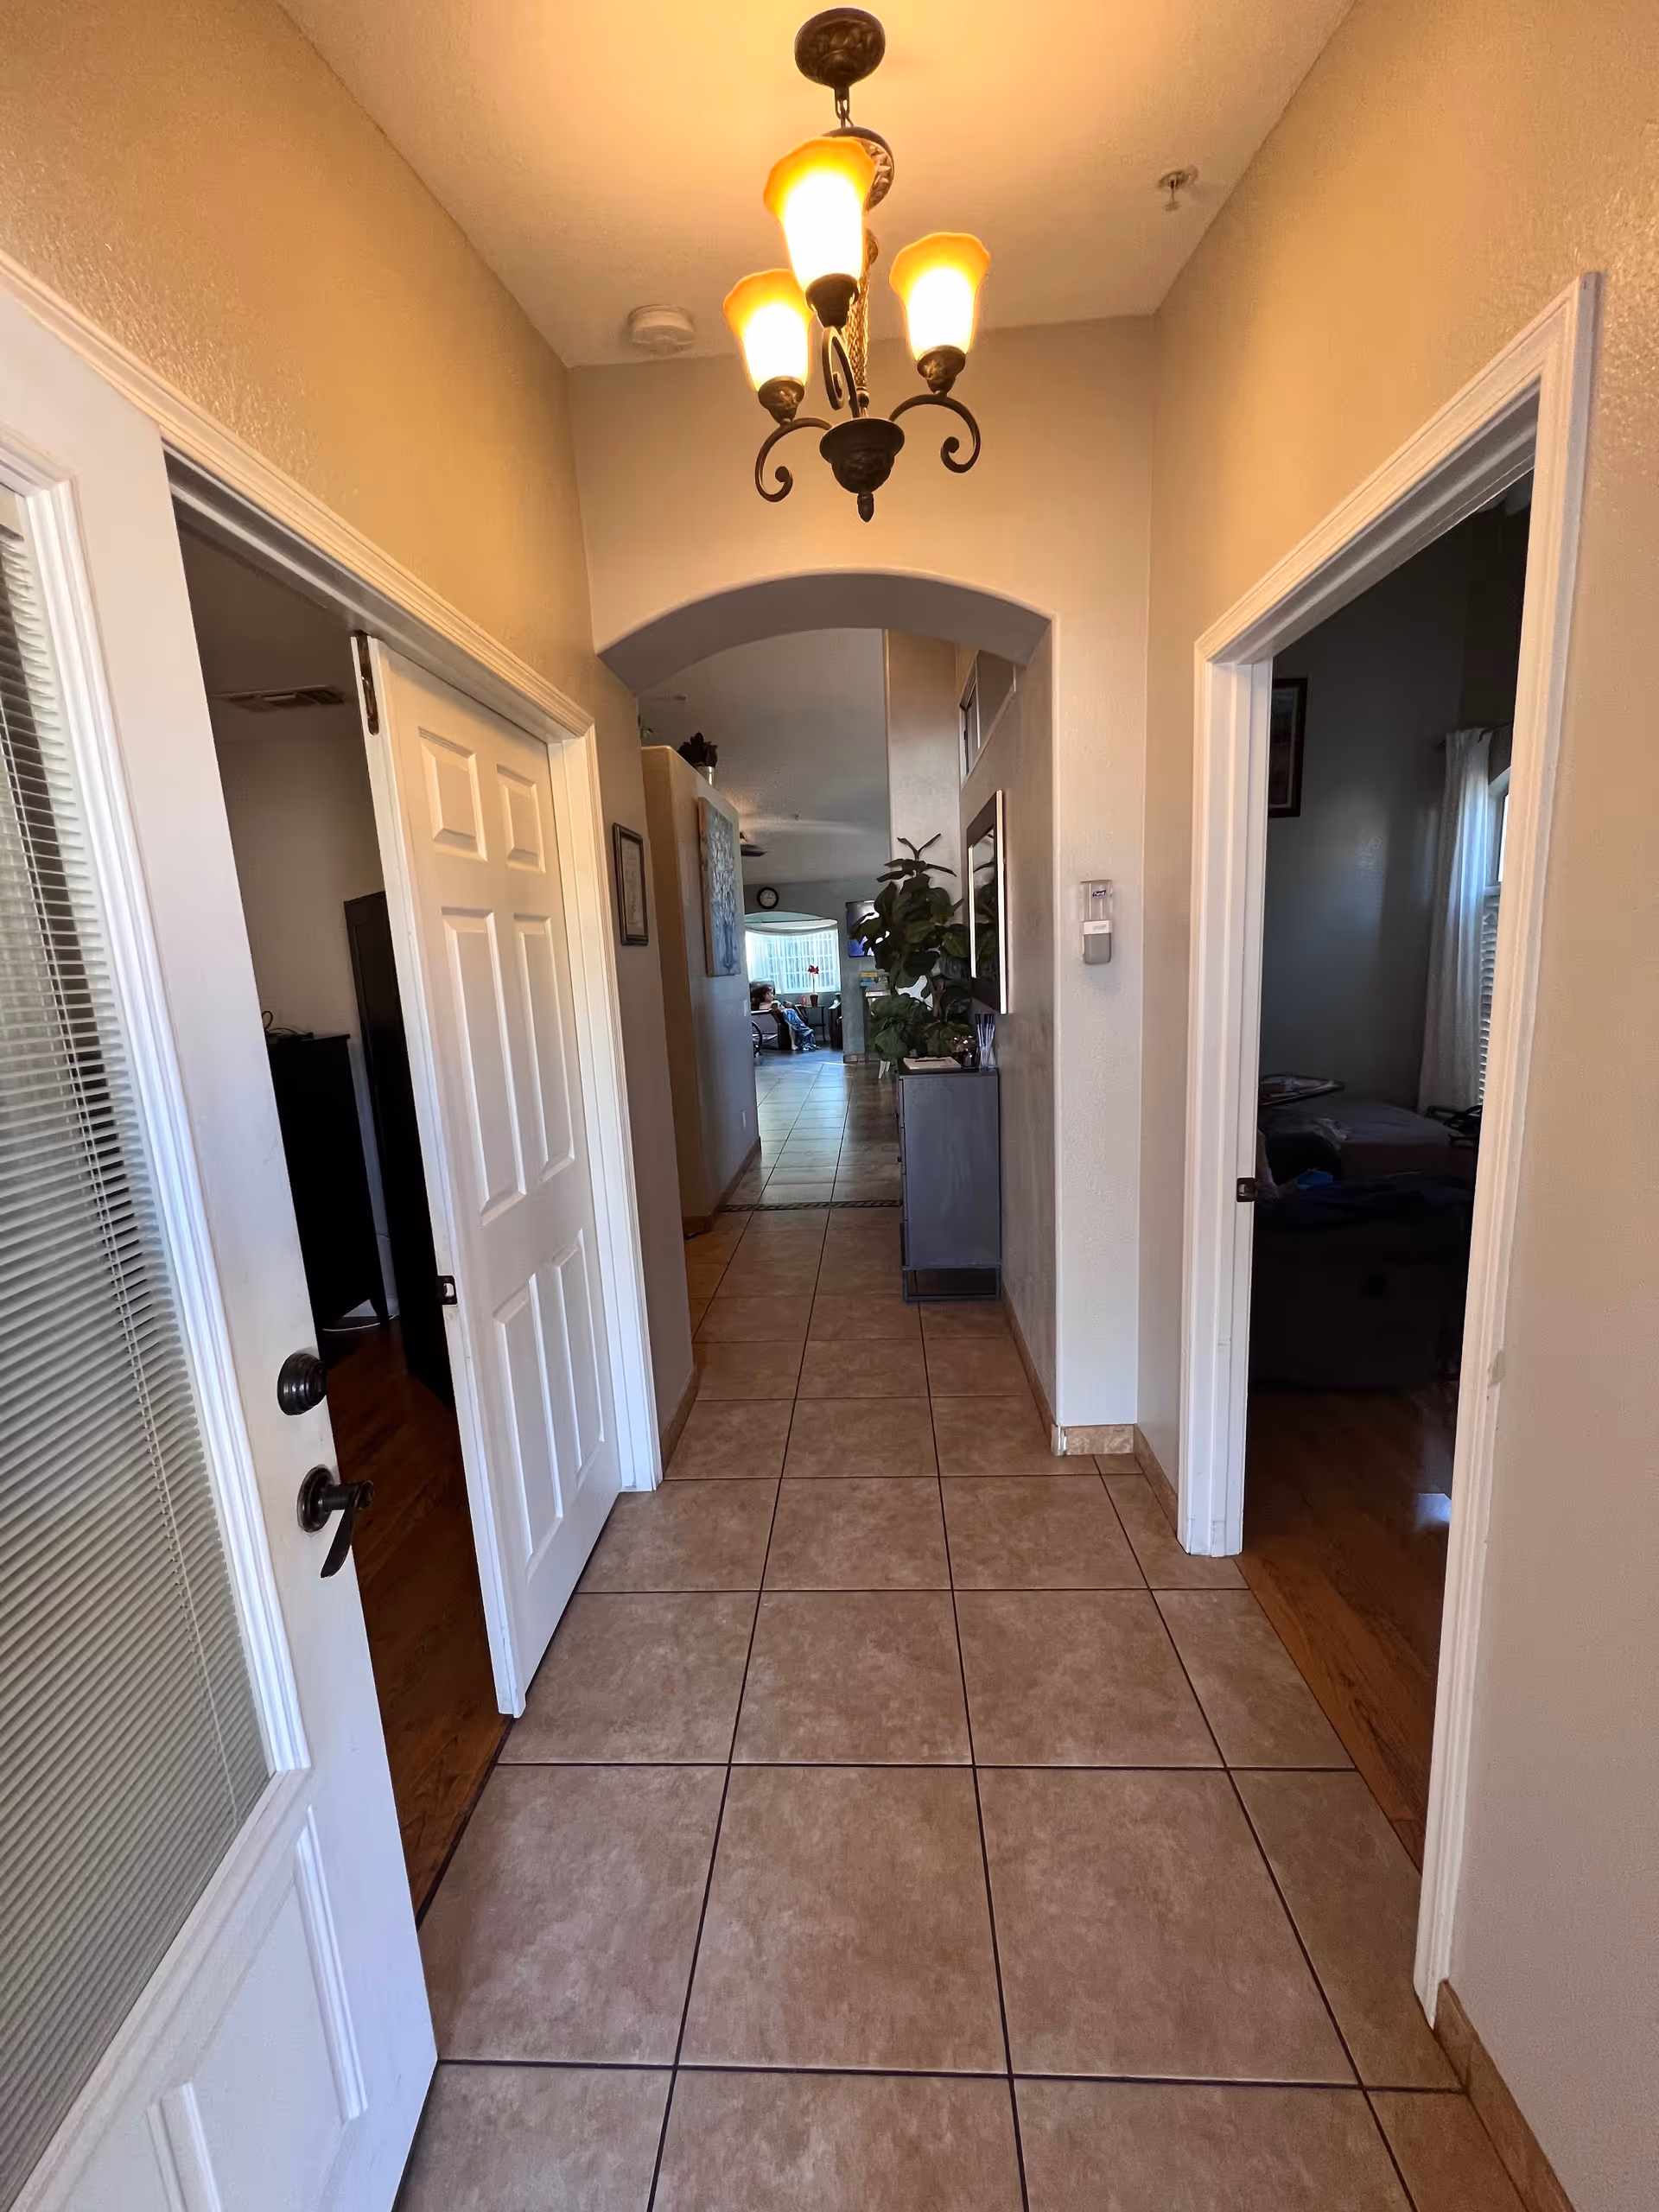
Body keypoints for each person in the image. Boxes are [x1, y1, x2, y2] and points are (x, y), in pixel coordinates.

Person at [750, 981, 816, 1050]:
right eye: (770, 994)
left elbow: (782, 1008)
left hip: (786, 1017)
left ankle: (801, 1028)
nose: (772, 996)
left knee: (790, 1013)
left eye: (773, 993)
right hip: (778, 1019)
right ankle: (794, 1042)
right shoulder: (762, 1005)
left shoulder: (775, 1002)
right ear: (764, 995)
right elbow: (765, 1012)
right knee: (790, 1014)